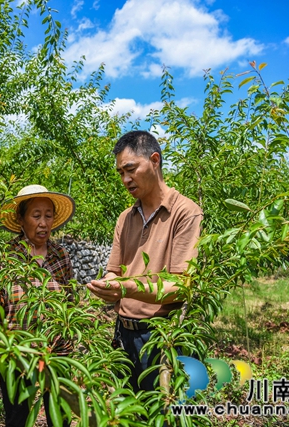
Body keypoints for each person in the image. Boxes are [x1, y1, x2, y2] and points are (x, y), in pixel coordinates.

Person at [87, 130, 203, 393]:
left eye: (130, 169)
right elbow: (114, 272)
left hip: (161, 338)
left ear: (154, 160)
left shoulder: (185, 213)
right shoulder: (125, 218)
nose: (126, 180)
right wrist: (106, 286)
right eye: (120, 173)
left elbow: (180, 286)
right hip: (123, 335)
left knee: (162, 414)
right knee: (128, 414)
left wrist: (126, 288)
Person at [0, 184, 75, 427]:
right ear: (21, 219)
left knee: (58, 414)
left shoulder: (60, 256)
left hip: (56, 353)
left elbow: (70, 302)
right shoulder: (5, 256)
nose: (43, 223)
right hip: (17, 355)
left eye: (48, 215)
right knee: (17, 416)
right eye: (36, 216)